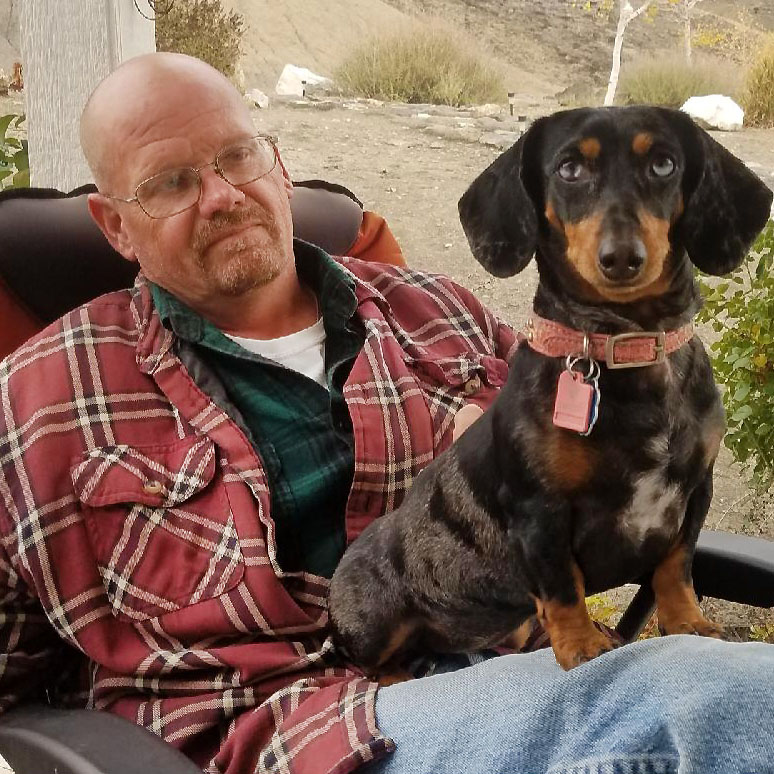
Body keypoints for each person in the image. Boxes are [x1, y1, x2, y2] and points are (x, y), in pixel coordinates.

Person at [0, 52, 771, 774]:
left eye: (238, 156)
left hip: (512, 666)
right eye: (170, 182)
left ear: (278, 161)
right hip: (282, 732)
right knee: (711, 702)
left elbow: (588, 476)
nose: (224, 196)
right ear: (114, 226)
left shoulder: (439, 313)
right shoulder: (39, 398)